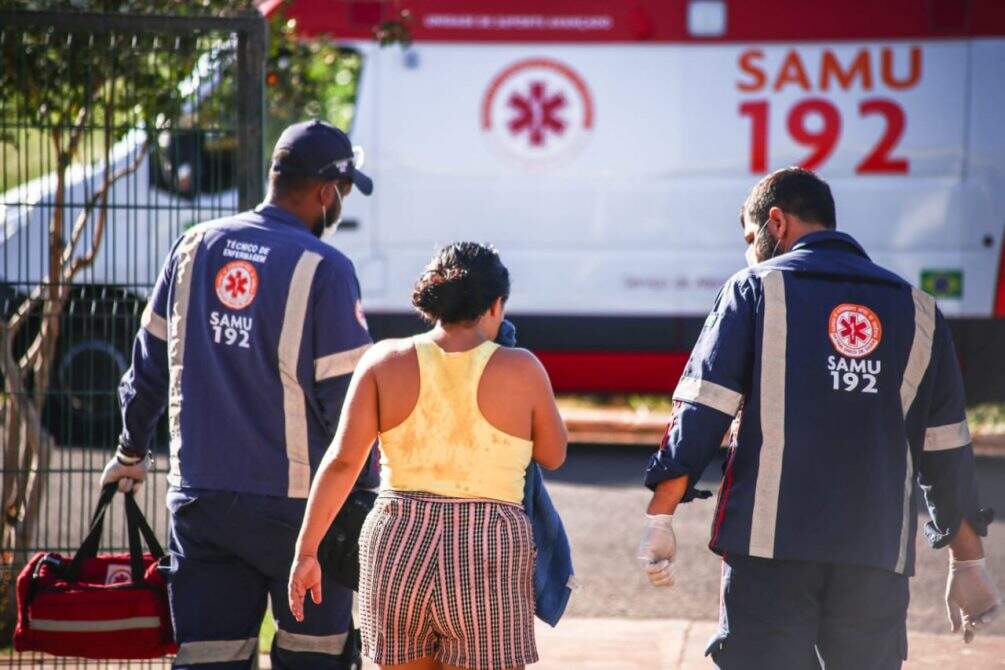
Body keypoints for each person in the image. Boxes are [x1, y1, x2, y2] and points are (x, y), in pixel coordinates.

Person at [638, 167, 1002, 669]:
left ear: (777, 223)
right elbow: (945, 449)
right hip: (876, 557)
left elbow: (702, 411)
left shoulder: (752, 290)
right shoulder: (918, 310)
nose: (750, 250)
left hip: (770, 555)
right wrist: (969, 561)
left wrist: (661, 515)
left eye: (751, 237)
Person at [100, 119, 376, 669]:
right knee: (314, 659)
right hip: (302, 516)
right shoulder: (325, 269)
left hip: (202, 502)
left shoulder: (194, 246)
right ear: (326, 192)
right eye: (342, 193)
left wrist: (130, 452)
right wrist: (366, 500)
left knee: (209, 659)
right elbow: (349, 408)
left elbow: (148, 365)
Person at [288, 242, 568, 670]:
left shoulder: (383, 360)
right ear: (495, 306)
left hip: (397, 539)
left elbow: (343, 462)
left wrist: (307, 552)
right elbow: (553, 455)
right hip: (487, 546)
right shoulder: (522, 368)